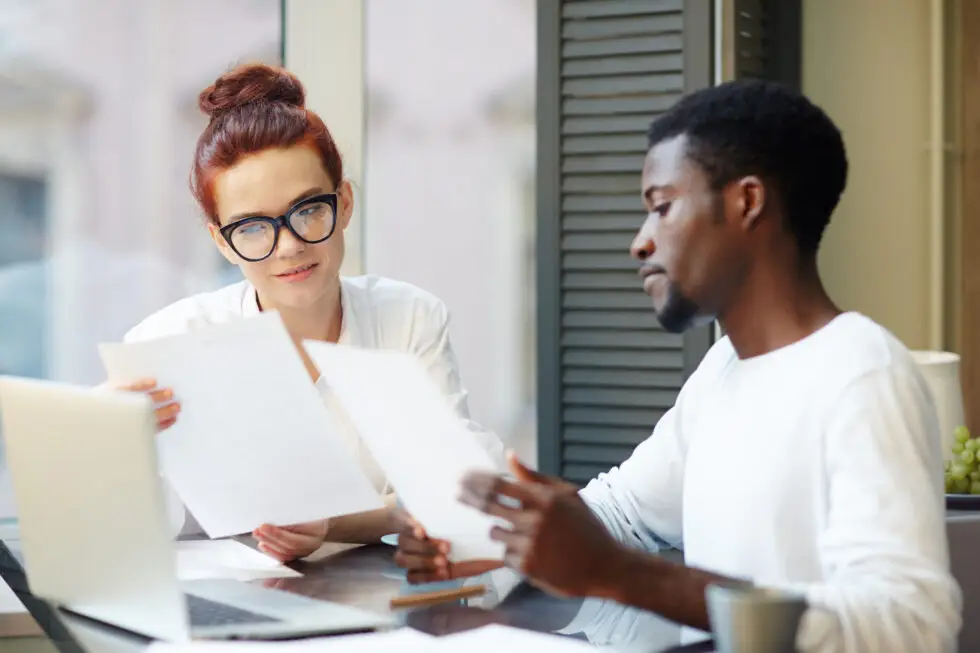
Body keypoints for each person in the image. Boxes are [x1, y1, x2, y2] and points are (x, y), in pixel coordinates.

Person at [394, 80, 962, 651]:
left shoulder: (862, 372)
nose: (640, 243)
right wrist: (478, 542)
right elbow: (622, 514)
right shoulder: (723, 371)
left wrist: (620, 573)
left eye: (661, 207)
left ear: (746, 201)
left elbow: (909, 624)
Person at [111, 63, 505, 561]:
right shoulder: (167, 341)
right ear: (221, 241)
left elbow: (457, 490)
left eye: (308, 210)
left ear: (343, 204)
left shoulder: (407, 319)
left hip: (378, 604)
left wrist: (333, 524)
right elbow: (134, 528)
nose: (290, 246)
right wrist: (111, 443)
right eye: (252, 227)